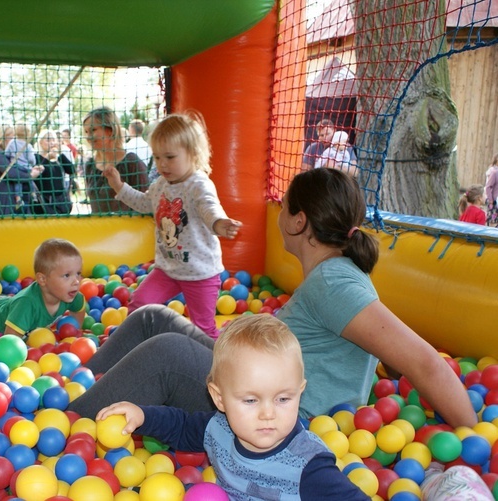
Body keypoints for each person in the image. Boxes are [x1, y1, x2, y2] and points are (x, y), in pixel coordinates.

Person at [67, 168, 477, 430]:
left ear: (299, 221)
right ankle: (78, 383)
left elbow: (423, 361)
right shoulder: (332, 275)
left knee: (168, 352)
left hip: (279, 416)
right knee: (154, 317)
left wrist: (473, 440)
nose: (277, 212)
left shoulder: (334, 282)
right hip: (256, 381)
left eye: (282, 206)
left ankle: (69, 424)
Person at [97, 314, 369, 500]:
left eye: (283, 399)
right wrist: (142, 416)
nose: (268, 413)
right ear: (219, 399)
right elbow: (180, 427)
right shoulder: (218, 429)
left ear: (300, 392)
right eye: (250, 400)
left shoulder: (308, 466)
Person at [103, 113, 242, 338]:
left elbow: (208, 207)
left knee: (203, 329)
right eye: (157, 157)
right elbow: (143, 203)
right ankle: (132, 343)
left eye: (170, 157)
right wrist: (119, 186)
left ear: (193, 154)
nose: (162, 164)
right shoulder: (161, 185)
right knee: (139, 303)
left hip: (200, 272)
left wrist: (218, 223)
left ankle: (214, 366)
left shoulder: (198, 184)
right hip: (168, 269)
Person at [82, 107, 148, 213]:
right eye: (86, 132)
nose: (88, 137)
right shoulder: (90, 164)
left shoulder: (132, 162)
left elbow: (146, 205)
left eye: (93, 130)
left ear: (110, 130)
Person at [34, 129, 75, 215]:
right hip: (45, 203)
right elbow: (37, 176)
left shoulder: (58, 158)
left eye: (53, 140)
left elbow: (71, 170)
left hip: (61, 202)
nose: (52, 142)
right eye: (48, 140)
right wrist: (47, 158)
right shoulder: (36, 157)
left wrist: (60, 153)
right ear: (40, 142)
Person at [5, 123, 41, 214]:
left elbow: (6, 153)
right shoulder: (27, 145)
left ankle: (18, 198)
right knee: (30, 180)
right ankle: (34, 195)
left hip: (16, 166)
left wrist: (10, 159)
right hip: (26, 167)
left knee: (18, 182)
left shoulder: (12, 142)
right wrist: (33, 164)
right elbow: (31, 159)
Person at [484, 154, 498, 227]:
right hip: (493, 201)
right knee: (492, 221)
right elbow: (488, 187)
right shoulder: (494, 172)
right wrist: (490, 200)